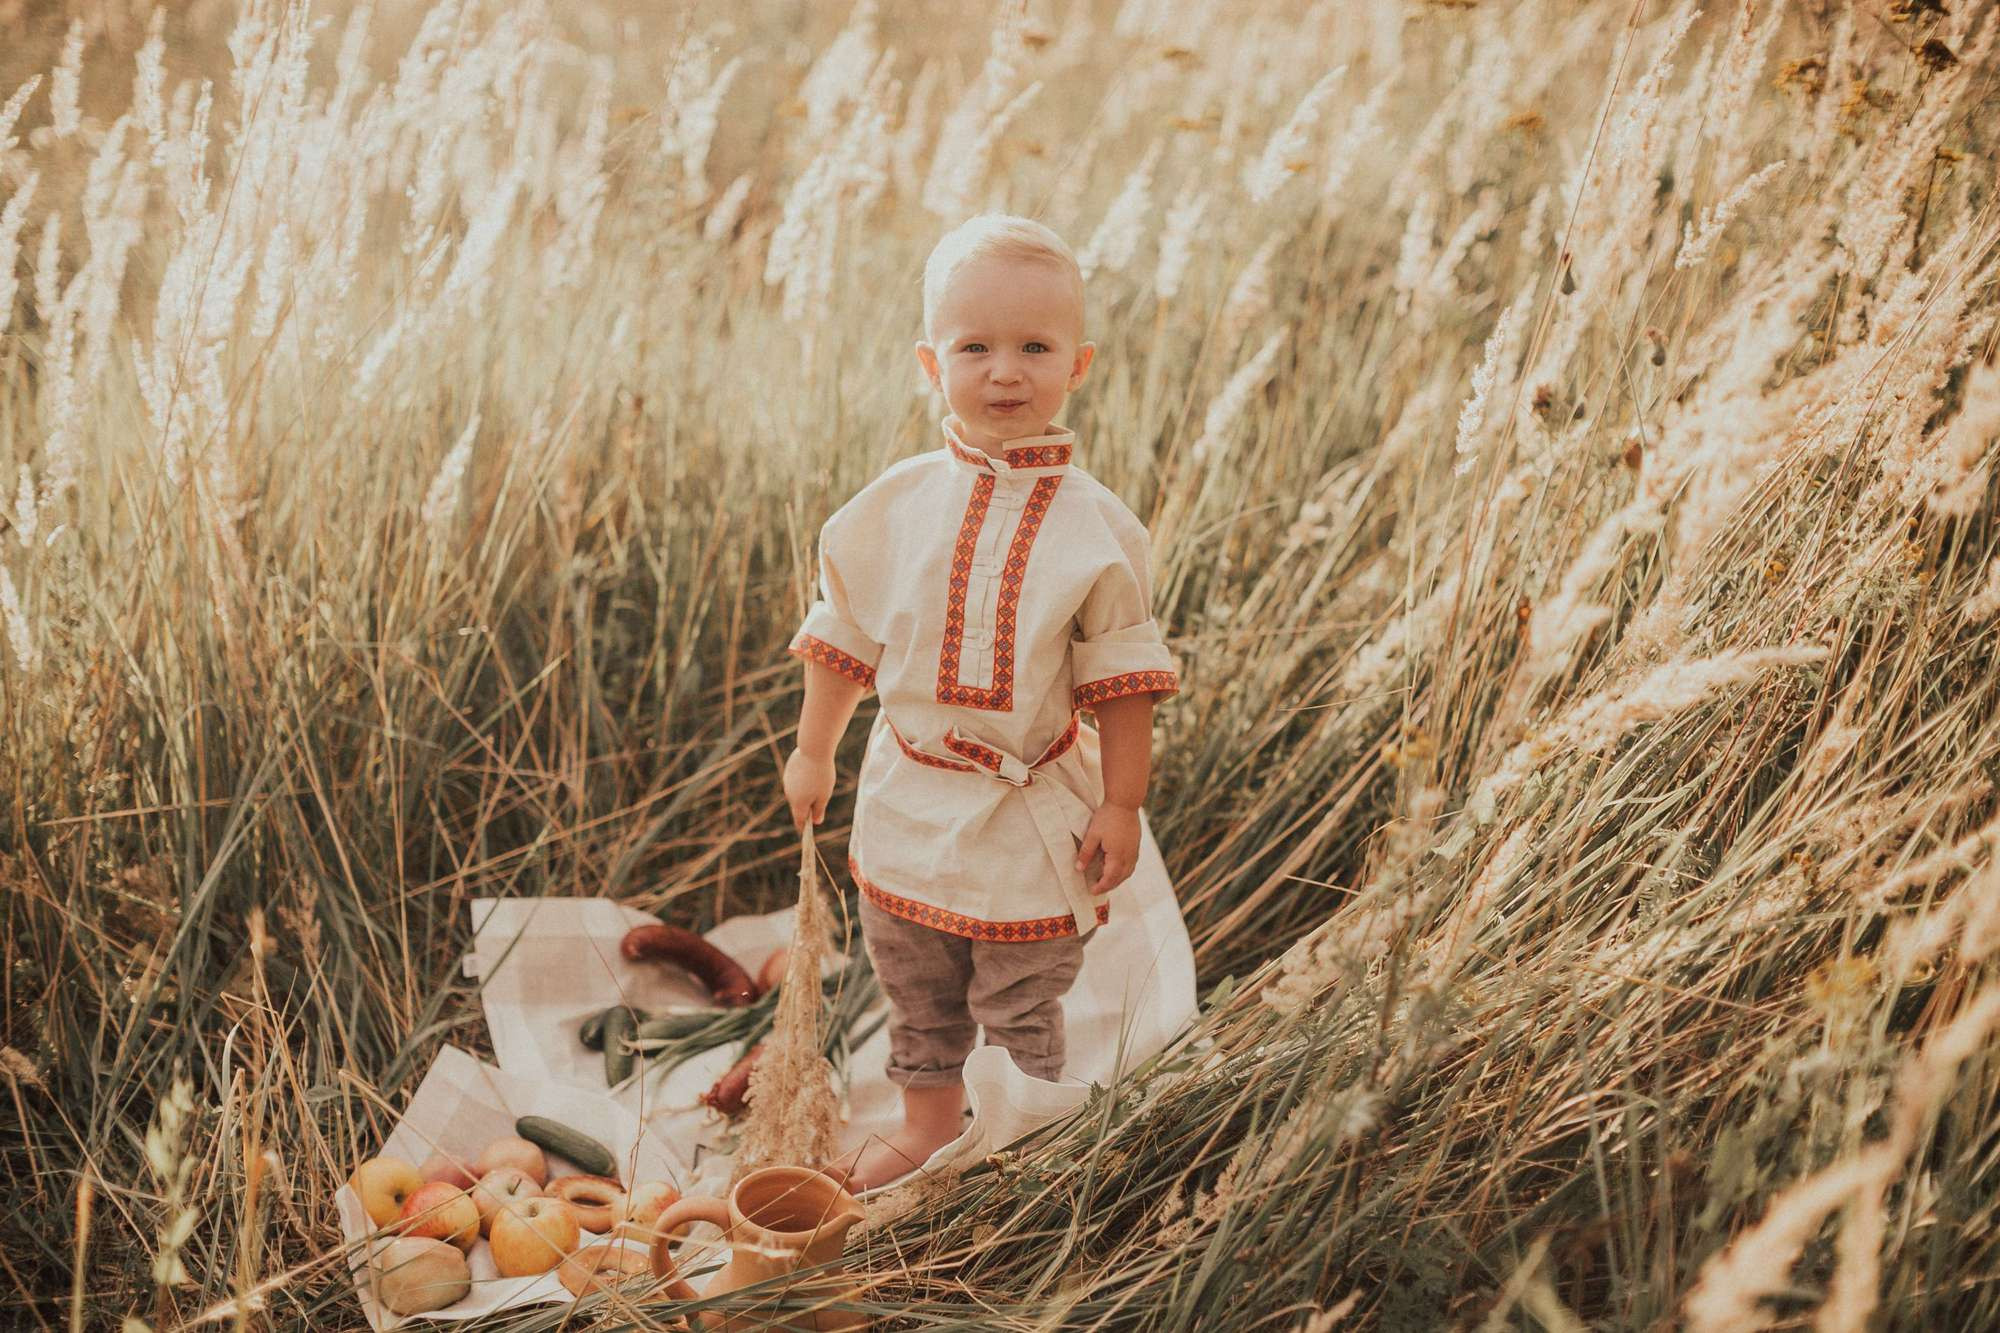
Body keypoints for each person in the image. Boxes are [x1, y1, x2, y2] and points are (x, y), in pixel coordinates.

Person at [782, 213, 1181, 1191]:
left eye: (1033, 348)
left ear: (1076, 365)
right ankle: (927, 1121)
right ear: (931, 363)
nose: (1004, 372)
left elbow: (1121, 682)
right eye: (975, 348)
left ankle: (1016, 1135)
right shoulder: (894, 506)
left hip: (1023, 810)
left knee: (1022, 986)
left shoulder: (1096, 530)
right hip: (911, 794)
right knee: (914, 976)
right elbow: (845, 638)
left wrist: (1121, 801)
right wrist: (814, 750)